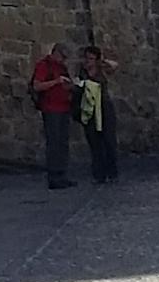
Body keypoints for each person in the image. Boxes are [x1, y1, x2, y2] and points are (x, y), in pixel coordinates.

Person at [30, 42, 76, 188]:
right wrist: (56, 81)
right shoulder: (44, 65)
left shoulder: (62, 67)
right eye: (62, 56)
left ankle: (62, 174)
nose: (64, 60)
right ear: (55, 53)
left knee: (62, 142)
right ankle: (54, 176)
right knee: (54, 142)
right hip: (51, 108)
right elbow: (37, 86)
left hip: (64, 107)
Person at [76, 42, 119, 185]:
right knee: (94, 143)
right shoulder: (81, 72)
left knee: (109, 142)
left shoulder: (102, 71)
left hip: (104, 108)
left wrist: (102, 62)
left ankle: (112, 172)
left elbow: (114, 66)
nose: (87, 61)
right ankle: (99, 174)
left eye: (91, 59)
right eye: (86, 58)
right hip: (90, 110)